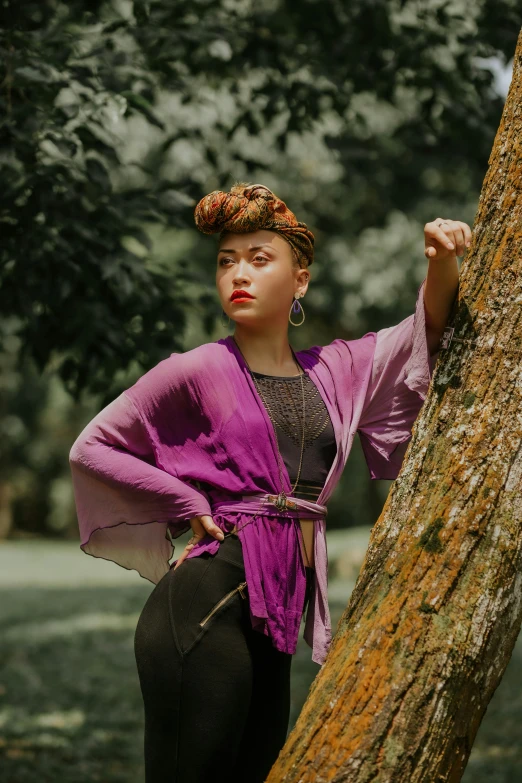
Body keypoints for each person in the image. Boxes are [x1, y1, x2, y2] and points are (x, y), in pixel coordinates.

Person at [69, 182, 468, 782]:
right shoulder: (198, 367)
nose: (239, 274)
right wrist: (185, 498)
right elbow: (91, 446)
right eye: (227, 261)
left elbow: (422, 331)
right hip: (202, 605)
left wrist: (441, 259)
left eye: (259, 259)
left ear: (300, 280)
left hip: (277, 614)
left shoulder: (336, 370)